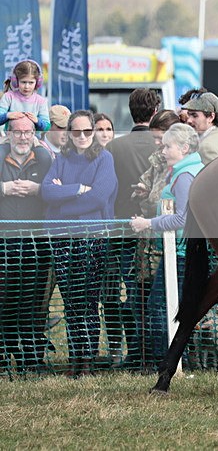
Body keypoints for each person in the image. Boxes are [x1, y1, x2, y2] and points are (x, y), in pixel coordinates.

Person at [41, 110, 118, 376]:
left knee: (88, 303)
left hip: (92, 240)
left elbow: (98, 198)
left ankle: (87, 361)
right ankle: (75, 358)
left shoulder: (104, 159)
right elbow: (47, 190)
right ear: (69, 132)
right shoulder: (60, 159)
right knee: (70, 303)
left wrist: (60, 208)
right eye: (77, 131)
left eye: (88, 131)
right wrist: (76, 189)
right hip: (64, 240)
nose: (82, 136)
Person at [130, 123, 204, 369]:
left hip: (181, 253)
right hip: (182, 252)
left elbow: (181, 218)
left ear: (183, 148)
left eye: (168, 145)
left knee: (159, 307)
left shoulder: (184, 176)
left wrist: (147, 223)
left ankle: (167, 361)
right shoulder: (189, 169)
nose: (162, 150)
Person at [104, 88, 161, 369]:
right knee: (156, 296)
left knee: (134, 295)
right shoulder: (164, 145)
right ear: (154, 112)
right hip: (159, 234)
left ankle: (138, 352)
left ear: (130, 111)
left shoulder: (113, 147)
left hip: (124, 232)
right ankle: (152, 352)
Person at [0, 116, 52, 373]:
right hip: (4, 242)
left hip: (35, 243)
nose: (22, 137)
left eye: (27, 132)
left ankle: (31, 359)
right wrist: (4, 188)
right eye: (17, 132)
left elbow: (56, 189)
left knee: (32, 303)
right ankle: (3, 355)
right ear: (8, 134)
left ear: (34, 134)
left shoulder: (44, 159)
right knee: (4, 301)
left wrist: (37, 189)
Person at [182, 91, 218, 165]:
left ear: (211, 117)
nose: (189, 120)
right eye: (189, 115)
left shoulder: (206, 147)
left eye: (194, 115)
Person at [0, 60, 49, 131]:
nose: (27, 86)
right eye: (23, 82)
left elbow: (47, 127)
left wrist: (37, 121)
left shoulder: (41, 101)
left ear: (38, 82)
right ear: (15, 81)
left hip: (33, 139)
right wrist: (7, 115)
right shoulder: (8, 97)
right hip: (11, 139)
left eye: (31, 82)